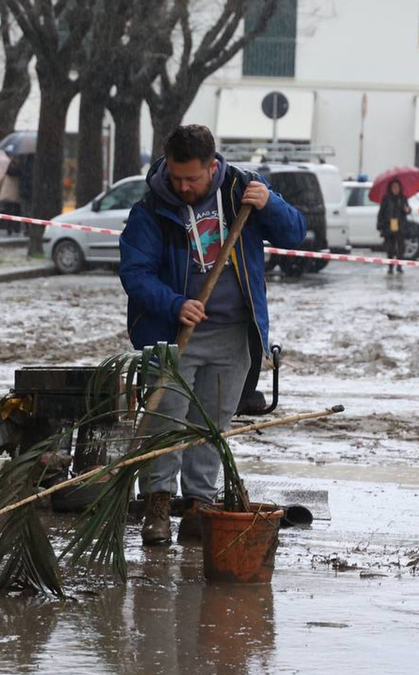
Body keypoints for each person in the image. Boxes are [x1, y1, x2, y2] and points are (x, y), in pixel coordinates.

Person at [118, 124, 306, 545]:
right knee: (165, 422)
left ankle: (199, 507)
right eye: (176, 177)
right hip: (170, 335)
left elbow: (295, 232)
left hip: (233, 334)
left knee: (210, 425)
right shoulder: (150, 210)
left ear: (212, 166)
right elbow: (135, 273)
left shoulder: (243, 192)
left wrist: (270, 204)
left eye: (192, 178)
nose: (183, 186)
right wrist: (174, 303)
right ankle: (158, 506)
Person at [377, 179, 410, 274]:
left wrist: (407, 210)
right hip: (389, 225)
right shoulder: (386, 198)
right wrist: (380, 225)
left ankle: (399, 266)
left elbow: (407, 209)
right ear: (390, 188)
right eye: (393, 187)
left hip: (400, 225)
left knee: (401, 247)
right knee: (390, 248)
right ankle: (390, 266)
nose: (396, 189)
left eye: (397, 187)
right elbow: (381, 213)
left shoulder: (403, 198)